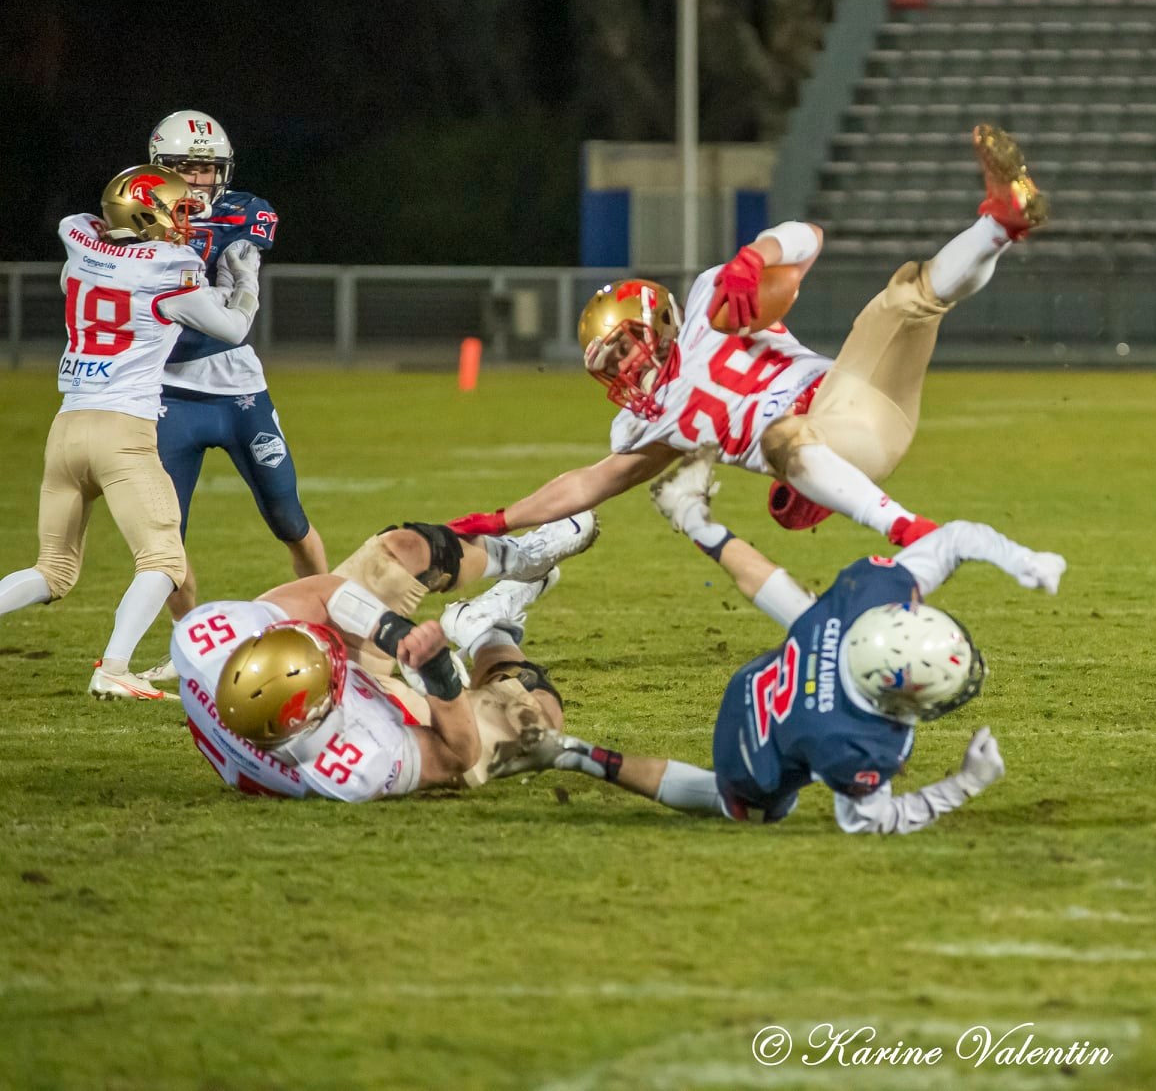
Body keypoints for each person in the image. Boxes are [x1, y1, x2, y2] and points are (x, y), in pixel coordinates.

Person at [445, 125, 1049, 550]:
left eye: (623, 346)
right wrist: (503, 518)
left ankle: (999, 222)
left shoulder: (714, 298)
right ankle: (906, 528)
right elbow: (590, 482)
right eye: (610, 362)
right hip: (820, 443)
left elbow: (808, 235)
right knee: (784, 438)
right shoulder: (647, 424)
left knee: (907, 295)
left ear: (655, 320)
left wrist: (753, 256)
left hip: (854, 394)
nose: (623, 367)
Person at [548, 448, 1064, 834]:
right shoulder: (854, 747)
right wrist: (966, 783)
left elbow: (954, 539)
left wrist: (1024, 562)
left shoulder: (869, 594)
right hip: (750, 759)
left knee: (814, 615)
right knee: (763, 808)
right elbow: (867, 820)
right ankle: (577, 755)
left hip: (757, 683)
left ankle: (692, 517)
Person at [0, 166, 263, 699]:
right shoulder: (171, 268)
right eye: (178, 211)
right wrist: (244, 280)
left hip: (67, 427)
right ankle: (114, 667)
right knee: (165, 560)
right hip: (122, 430)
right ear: (148, 214)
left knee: (52, 571)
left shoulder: (79, 246)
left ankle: (113, 665)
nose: (185, 223)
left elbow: (87, 232)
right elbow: (234, 328)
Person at [175, 514, 603, 799]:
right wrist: (440, 680)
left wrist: (387, 629)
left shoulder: (204, 640)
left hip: (306, 700)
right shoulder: (351, 765)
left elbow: (321, 590)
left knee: (404, 550)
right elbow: (457, 753)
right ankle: (486, 629)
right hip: (380, 717)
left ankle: (523, 556)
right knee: (535, 718)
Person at [146, 109, 325, 623]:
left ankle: (326, 623)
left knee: (288, 518)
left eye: (206, 168)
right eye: (184, 167)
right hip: (166, 389)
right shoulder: (135, 213)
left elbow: (232, 302)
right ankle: (187, 643)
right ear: (161, 166)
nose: (197, 179)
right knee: (166, 536)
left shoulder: (244, 215)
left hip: (235, 386)